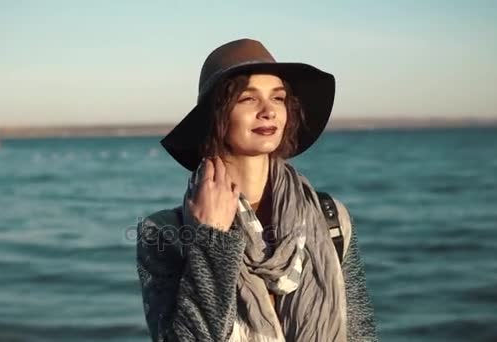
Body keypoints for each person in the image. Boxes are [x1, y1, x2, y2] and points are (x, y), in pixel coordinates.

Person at [136, 38, 377, 342]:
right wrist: (211, 239)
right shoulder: (164, 233)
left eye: (278, 98)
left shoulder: (331, 218)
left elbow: (361, 335)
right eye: (248, 99)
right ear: (216, 115)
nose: (268, 111)